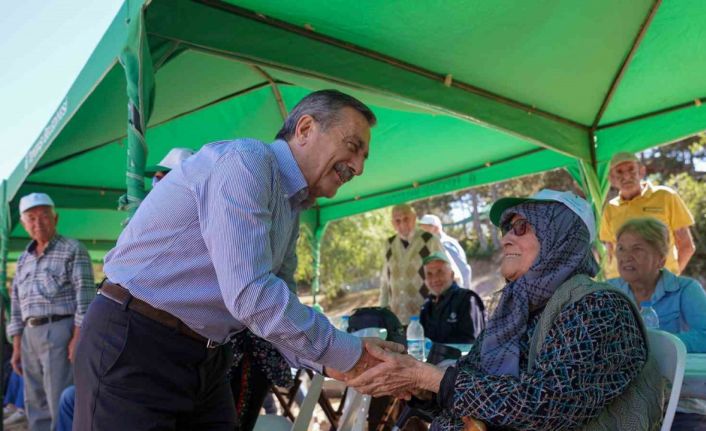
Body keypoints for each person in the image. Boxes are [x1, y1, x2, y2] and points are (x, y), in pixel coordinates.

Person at [73, 90, 403, 430]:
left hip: (206, 355)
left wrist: (334, 363)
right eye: (353, 146)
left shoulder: (292, 205)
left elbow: (280, 302)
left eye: (364, 156)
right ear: (305, 129)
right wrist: (349, 353)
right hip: (137, 343)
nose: (359, 167)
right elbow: (252, 295)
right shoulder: (247, 162)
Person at [349, 189, 664, 430]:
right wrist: (421, 387)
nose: (506, 239)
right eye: (506, 229)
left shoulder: (598, 307)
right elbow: (473, 381)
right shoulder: (515, 310)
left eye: (521, 226)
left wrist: (434, 379)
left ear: (559, 235)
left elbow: (547, 405)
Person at [6, 193, 95, 431]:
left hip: (60, 331)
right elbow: (16, 305)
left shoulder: (72, 249)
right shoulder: (24, 259)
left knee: (58, 398)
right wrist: (16, 346)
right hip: (28, 336)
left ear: (55, 218)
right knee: (34, 401)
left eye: (44, 216)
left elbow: (85, 297)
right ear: (24, 225)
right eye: (31, 218)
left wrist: (77, 338)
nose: (38, 222)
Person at [608, 217, 706, 430]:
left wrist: (654, 344)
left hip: (680, 401)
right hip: (623, 402)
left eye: (637, 248)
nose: (626, 257)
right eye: (621, 249)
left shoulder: (686, 289)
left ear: (661, 259)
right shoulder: (609, 291)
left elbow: (705, 336)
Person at [600, 151, 695, 279]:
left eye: (631, 169)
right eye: (619, 172)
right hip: (622, 287)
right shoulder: (610, 209)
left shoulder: (665, 196)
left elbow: (686, 245)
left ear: (642, 171)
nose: (627, 176)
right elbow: (610, 251)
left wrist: (672, 277)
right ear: (611, 179)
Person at [380, 204, 452, 325]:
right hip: (397, 318)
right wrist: (382, 311)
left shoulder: (429, 240)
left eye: (406, 218)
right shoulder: (389, 244)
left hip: (426, 316)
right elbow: (385, 282)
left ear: (414, 218)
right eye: (398, 221)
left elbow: (447, 273)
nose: (402, 224)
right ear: (393, 224)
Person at [419, 252, 484, 344]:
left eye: (440, 272)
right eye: (429, 274)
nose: (435, 279)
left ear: (452, 275)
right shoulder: (427, 306)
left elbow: (473, 343)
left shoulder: (467, 299)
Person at [419, 214, 472, 289]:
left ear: (436, 228)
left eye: (425, 229)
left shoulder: (445, 244)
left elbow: (463, 269)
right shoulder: (440, 243)